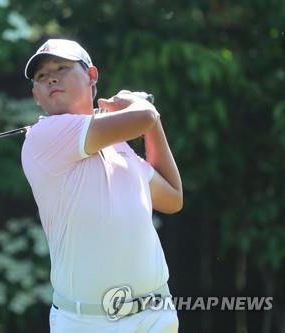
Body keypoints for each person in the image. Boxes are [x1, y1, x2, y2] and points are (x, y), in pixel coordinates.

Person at [21, 39, 183, 332]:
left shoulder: (119, 146)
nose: (51, 77)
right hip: (88, 322)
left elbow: (172, 197)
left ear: (92, 76)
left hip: (156, 317)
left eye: (62, 68)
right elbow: (144, 116)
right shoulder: (44, 136)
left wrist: (153, 124)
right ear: (36, 94)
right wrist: (142, 108)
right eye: (41, 76)